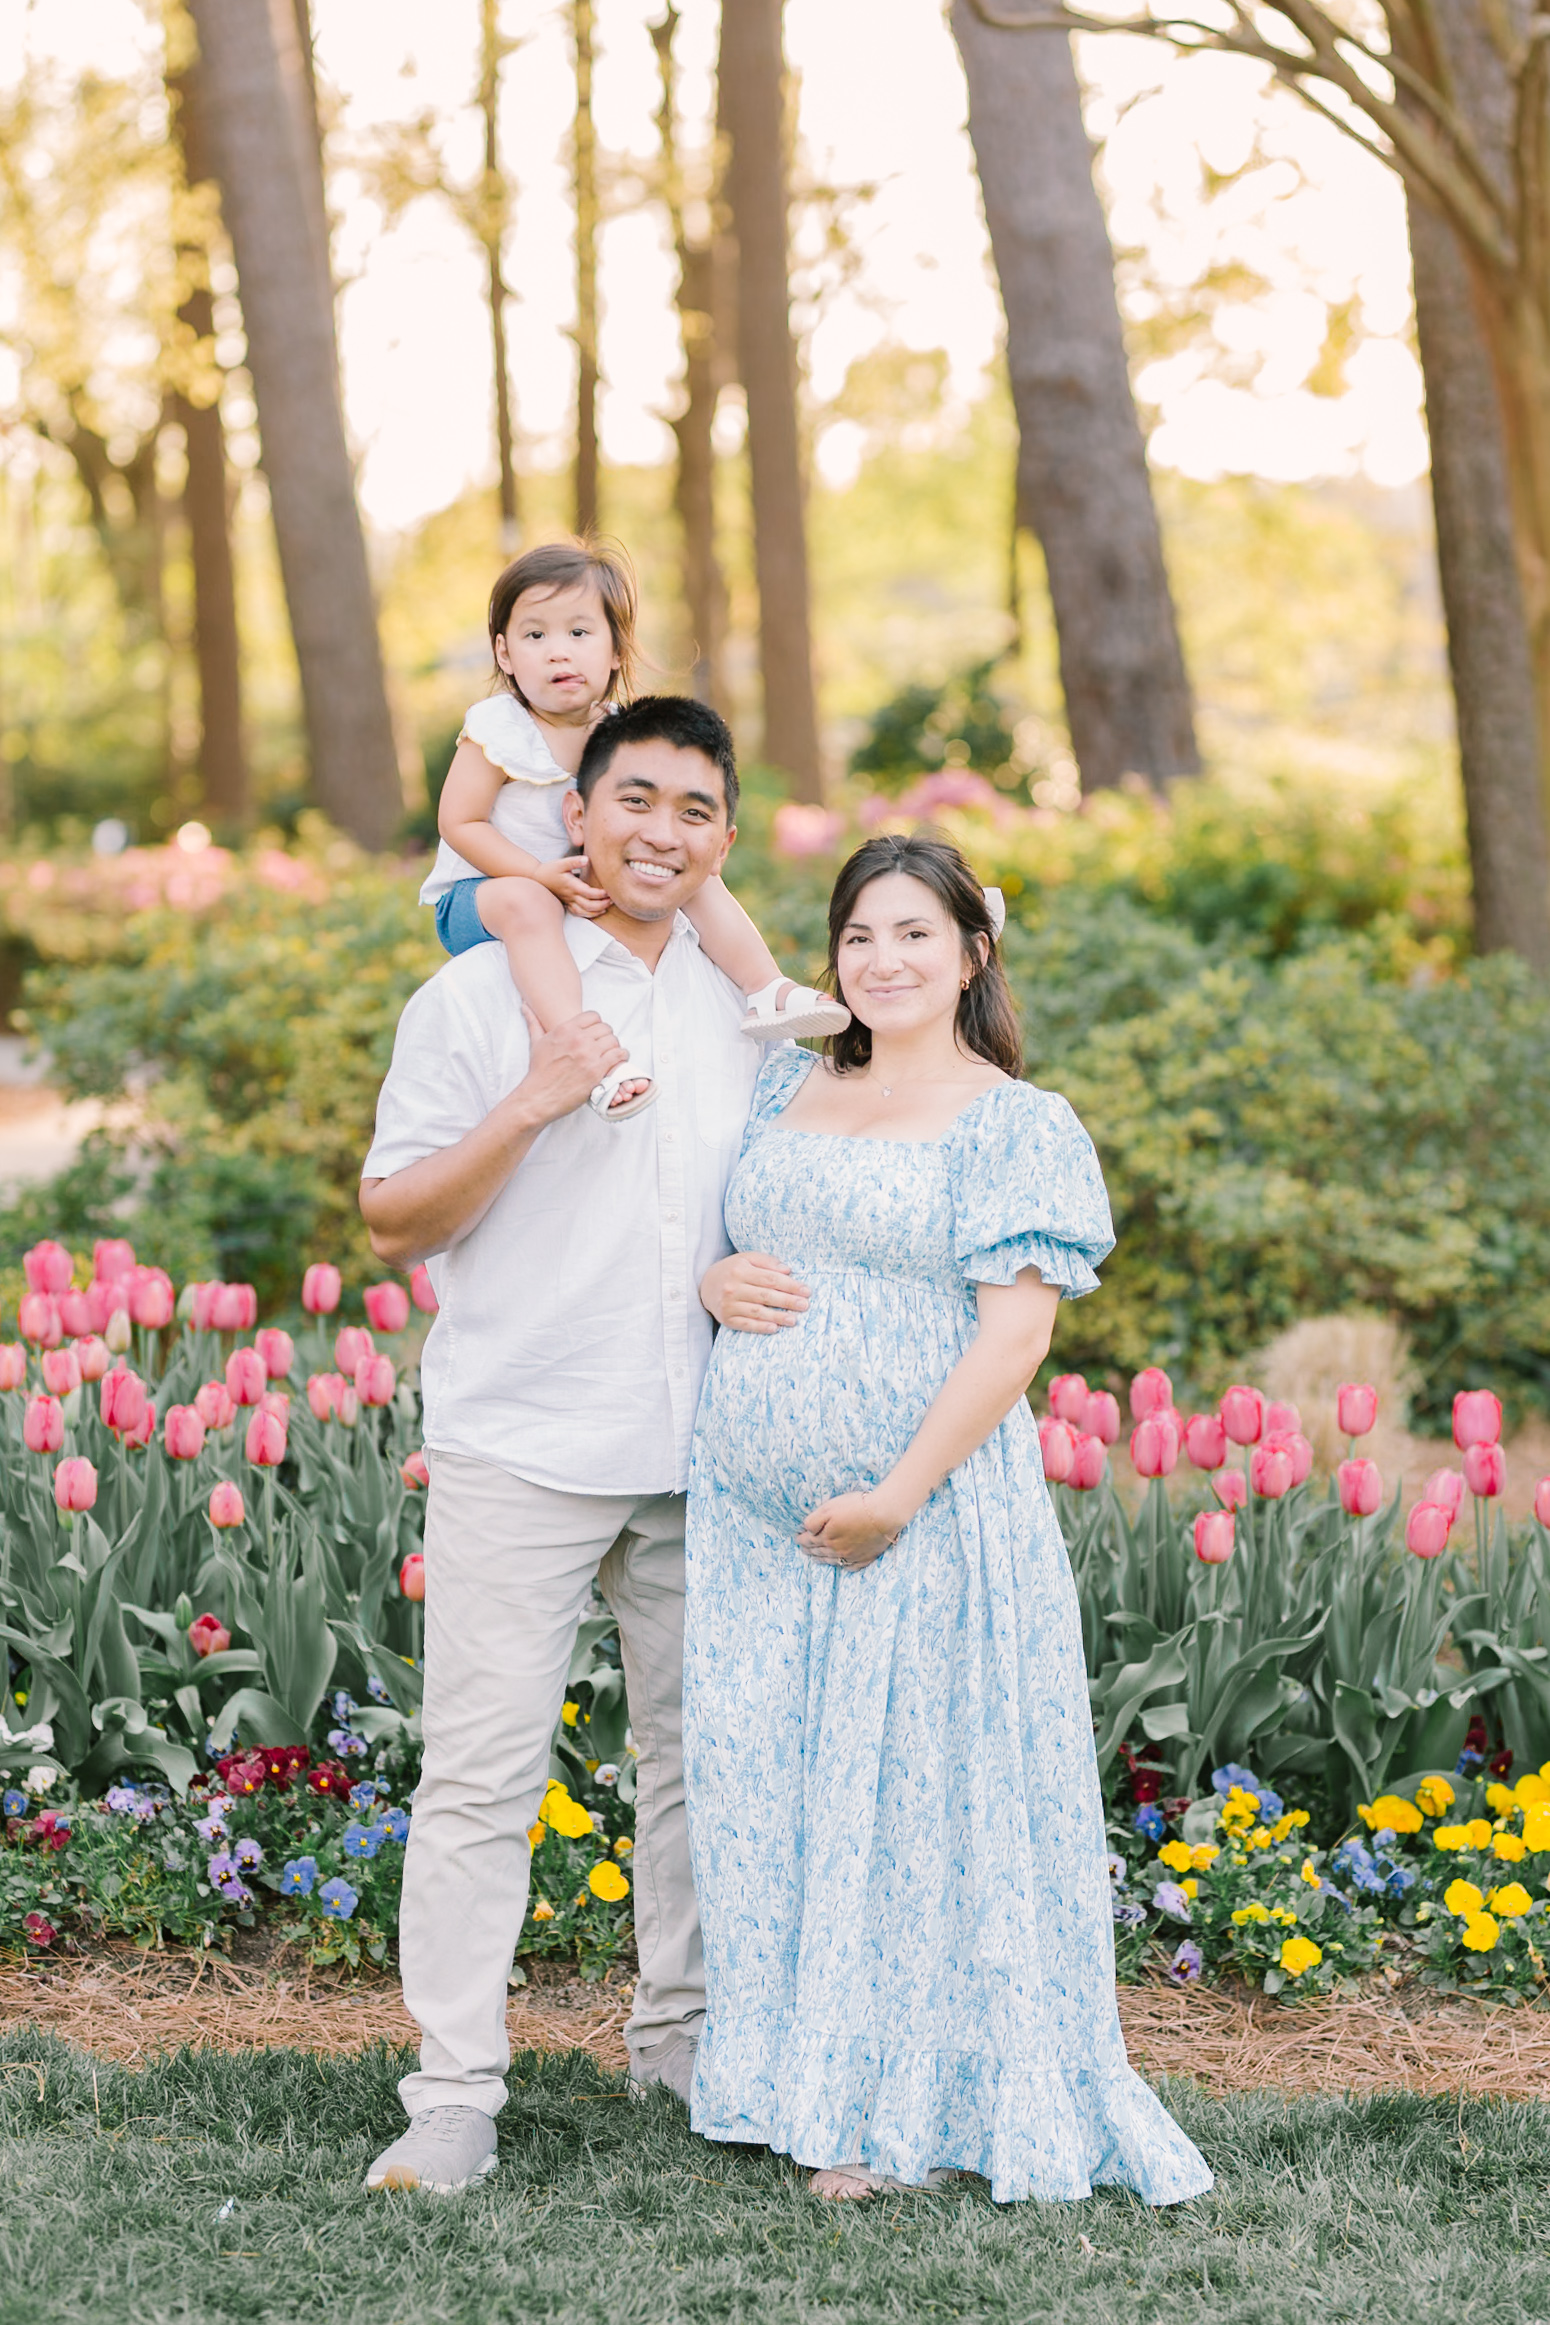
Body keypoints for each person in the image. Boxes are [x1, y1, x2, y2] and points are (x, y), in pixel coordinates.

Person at [683, 832, 1213, 2207]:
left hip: (916, 1516)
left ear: (972, 952)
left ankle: (891, 2105)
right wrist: (719, 1280)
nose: (883, 960)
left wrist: (894, 1496)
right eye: (859, 935)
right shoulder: (790, 1081)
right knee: (778, 1795)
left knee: (909, 1804)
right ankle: (796, 2081)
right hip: (753, 1530)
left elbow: (1013, 1339)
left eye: (914, 933)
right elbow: (740, 1236)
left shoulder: (1014, 1121)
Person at [358, 694, 762, 2195]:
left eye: (694, 810)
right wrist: (532, 1100)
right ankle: (453, 2095)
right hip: (518, 1441)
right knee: (476, 1782)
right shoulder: (473, 1000)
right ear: (575, 814)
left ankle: (683, 2042)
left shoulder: (748, 1006)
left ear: (721, 840)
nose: (662, 830)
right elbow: (393, 1218)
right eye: (635, 798)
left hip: (700, 1454)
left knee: (696, 1769)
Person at [422, 537, 847, 1119]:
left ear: (617, 651)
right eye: (534, 635)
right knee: (530, 905)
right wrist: (536, 874)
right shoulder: (497, 729)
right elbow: (458, 822)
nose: (557, 653)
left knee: (690, 872)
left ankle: (766, 987)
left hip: (572, 880)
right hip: (485, 894)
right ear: (503, 652)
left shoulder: (622, 733)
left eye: (579, 633)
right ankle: (583, 1049)